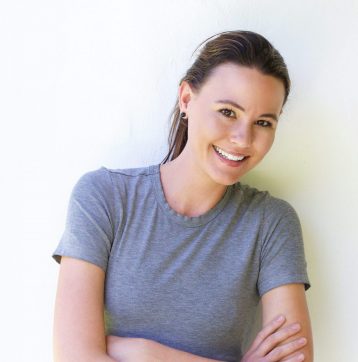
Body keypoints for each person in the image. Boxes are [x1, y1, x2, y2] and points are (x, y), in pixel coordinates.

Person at [52, 30, 313, 361]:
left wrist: (145, 354)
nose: (243, 139)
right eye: (228, 112)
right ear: (187, 99)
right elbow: (75, 357)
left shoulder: (271, 223)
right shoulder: (104, 197)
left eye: (263, 122)